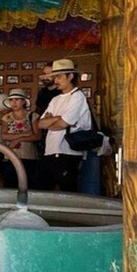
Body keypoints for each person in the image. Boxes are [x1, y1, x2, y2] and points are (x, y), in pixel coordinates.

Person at [38, 59, 92, 192]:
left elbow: (62, 124)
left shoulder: (77, 96)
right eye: (54, 76)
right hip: (51, 150)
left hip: (68, 152)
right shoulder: (55, 99)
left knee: (67, 191)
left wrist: (53, 121)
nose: (56, 80)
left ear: (70, 76)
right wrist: (58, 119)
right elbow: (40, 124)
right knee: (42, 189)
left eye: (59, 76)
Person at [0, 89, 41, 188]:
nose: (14, 103)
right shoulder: (7, 117)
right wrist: (26, 134)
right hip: (10, 155)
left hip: (29, 155)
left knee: (28, 184)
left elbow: (37, 136)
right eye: (11, 100)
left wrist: (18, 139)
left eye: (17, 99)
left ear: (23, 101)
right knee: (11, 184)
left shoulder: (32, 116)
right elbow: (4, 136)